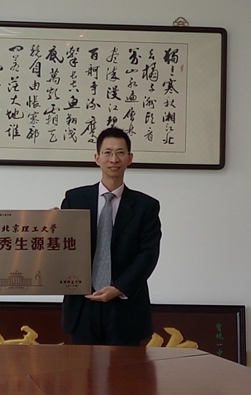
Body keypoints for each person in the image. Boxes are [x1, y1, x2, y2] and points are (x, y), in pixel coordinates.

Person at [60, 127, 162, 346]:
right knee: (81, 368)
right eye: (107, 152)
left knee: (124, 368)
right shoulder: (75, 198)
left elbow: (148, 254)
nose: (113, 159)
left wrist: (119, 288)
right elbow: (62, 246)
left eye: (120, 153)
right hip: (82, 304)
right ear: (97, 158)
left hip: (125, 306)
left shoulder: (146, 206)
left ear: (130, 158)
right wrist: (49, 224)